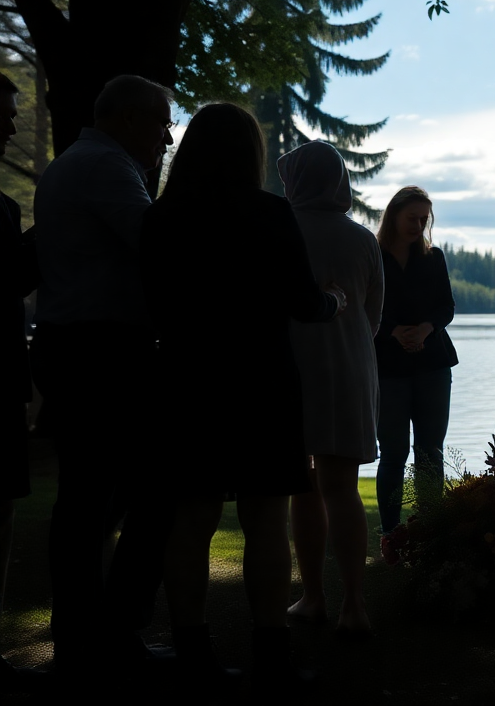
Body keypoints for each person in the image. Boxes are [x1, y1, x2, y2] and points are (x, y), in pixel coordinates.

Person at [140, 104, 343, 687]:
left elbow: (151, 306)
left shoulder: (162, 217)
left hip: (185, 379)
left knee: (192, 519)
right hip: (261, 380)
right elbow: (304, 303)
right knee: (265, 519)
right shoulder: (270, 212)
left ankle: (193, 653)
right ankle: (272, 655)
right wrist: (336, 303)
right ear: (250, 154)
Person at [28, 74, 176, 678]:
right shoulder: (108, 168)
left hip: (77, 347)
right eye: (162, 122)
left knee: (90, 499)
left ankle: (84, 636)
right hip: (104, 352)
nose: (168, 136)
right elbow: (159, 245)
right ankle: (111, 634)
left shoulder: (75, 164)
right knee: (146, 492)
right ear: (130, 119)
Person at [280, 141, 383, 634]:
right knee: (342, 489)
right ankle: (355, 606)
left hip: (289, 370)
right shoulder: (363, 240)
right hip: (349, 367)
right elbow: (373, 318)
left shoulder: (279, 230)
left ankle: (313, 597)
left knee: (301, 487)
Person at [373, 186, 457, 562]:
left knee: (429, 453)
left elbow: (446, 307)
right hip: (388, 366)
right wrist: (393, 331)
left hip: (432, 364)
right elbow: (363, 305)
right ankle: (390, 536)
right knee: (392, 453)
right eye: (413, 218)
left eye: (424, 219)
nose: (419, 225)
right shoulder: (372, 255)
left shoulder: (433, 257)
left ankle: (429, 532)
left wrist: (424, 330)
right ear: (394, 214)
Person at [0, 73, 44, 693]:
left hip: (5, 377)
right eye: (3, 115)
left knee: (2, 513)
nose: (13, 124)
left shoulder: (6, 208)